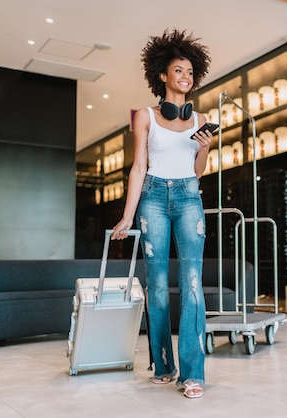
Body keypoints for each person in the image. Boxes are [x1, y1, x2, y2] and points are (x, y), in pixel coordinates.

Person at [111, 28, 212, 399]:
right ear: (162, 75)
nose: (185, 78)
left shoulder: (198, 117)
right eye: (179, 71)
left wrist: (206, 147)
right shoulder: (145, 117)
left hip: (188, 197)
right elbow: (138, 168)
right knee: (156, 285)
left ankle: (193, 373)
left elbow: (198, 170)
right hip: (152, 196)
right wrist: (126, 216)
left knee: (191, 284)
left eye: (190, 73)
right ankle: (164, 364)